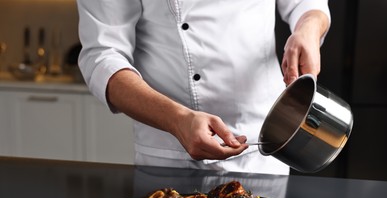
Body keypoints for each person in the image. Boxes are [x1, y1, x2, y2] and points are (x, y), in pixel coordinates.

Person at [76, 0, 330, 174]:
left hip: (262, 149)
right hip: (169, 155)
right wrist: (177, 120)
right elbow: (102, 55)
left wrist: (308, 28)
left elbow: (308, 4)